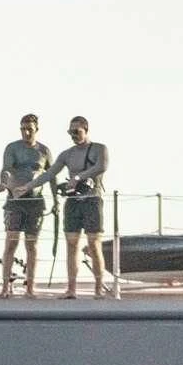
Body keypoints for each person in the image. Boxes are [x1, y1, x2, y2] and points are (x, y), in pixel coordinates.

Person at [49, 116, 110, 298]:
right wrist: (28, 186)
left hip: (92, 200)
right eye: (70, 132)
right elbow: (51, 172)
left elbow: (102, 166)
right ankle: (71, 289)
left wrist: (79, 177)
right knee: (71, 244)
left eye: (77, 131)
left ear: (86, 130)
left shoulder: (100, 148)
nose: (73, 135)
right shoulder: (67, 154)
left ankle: (99, 288)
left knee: (94, 244)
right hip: (73, 202)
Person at [0, 114, 53, 297]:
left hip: (35, 201)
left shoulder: (44, 151)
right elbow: (6, 168)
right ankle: (5, 287)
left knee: (32, 245)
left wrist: (57, 201)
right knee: (11, 241)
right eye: (23, 128)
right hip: (15, 200)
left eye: (29, 128)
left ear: (36, 129)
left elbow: (51, 175)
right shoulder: (12, 148)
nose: (26, 132)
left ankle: (30, 288)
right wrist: (4, 182)